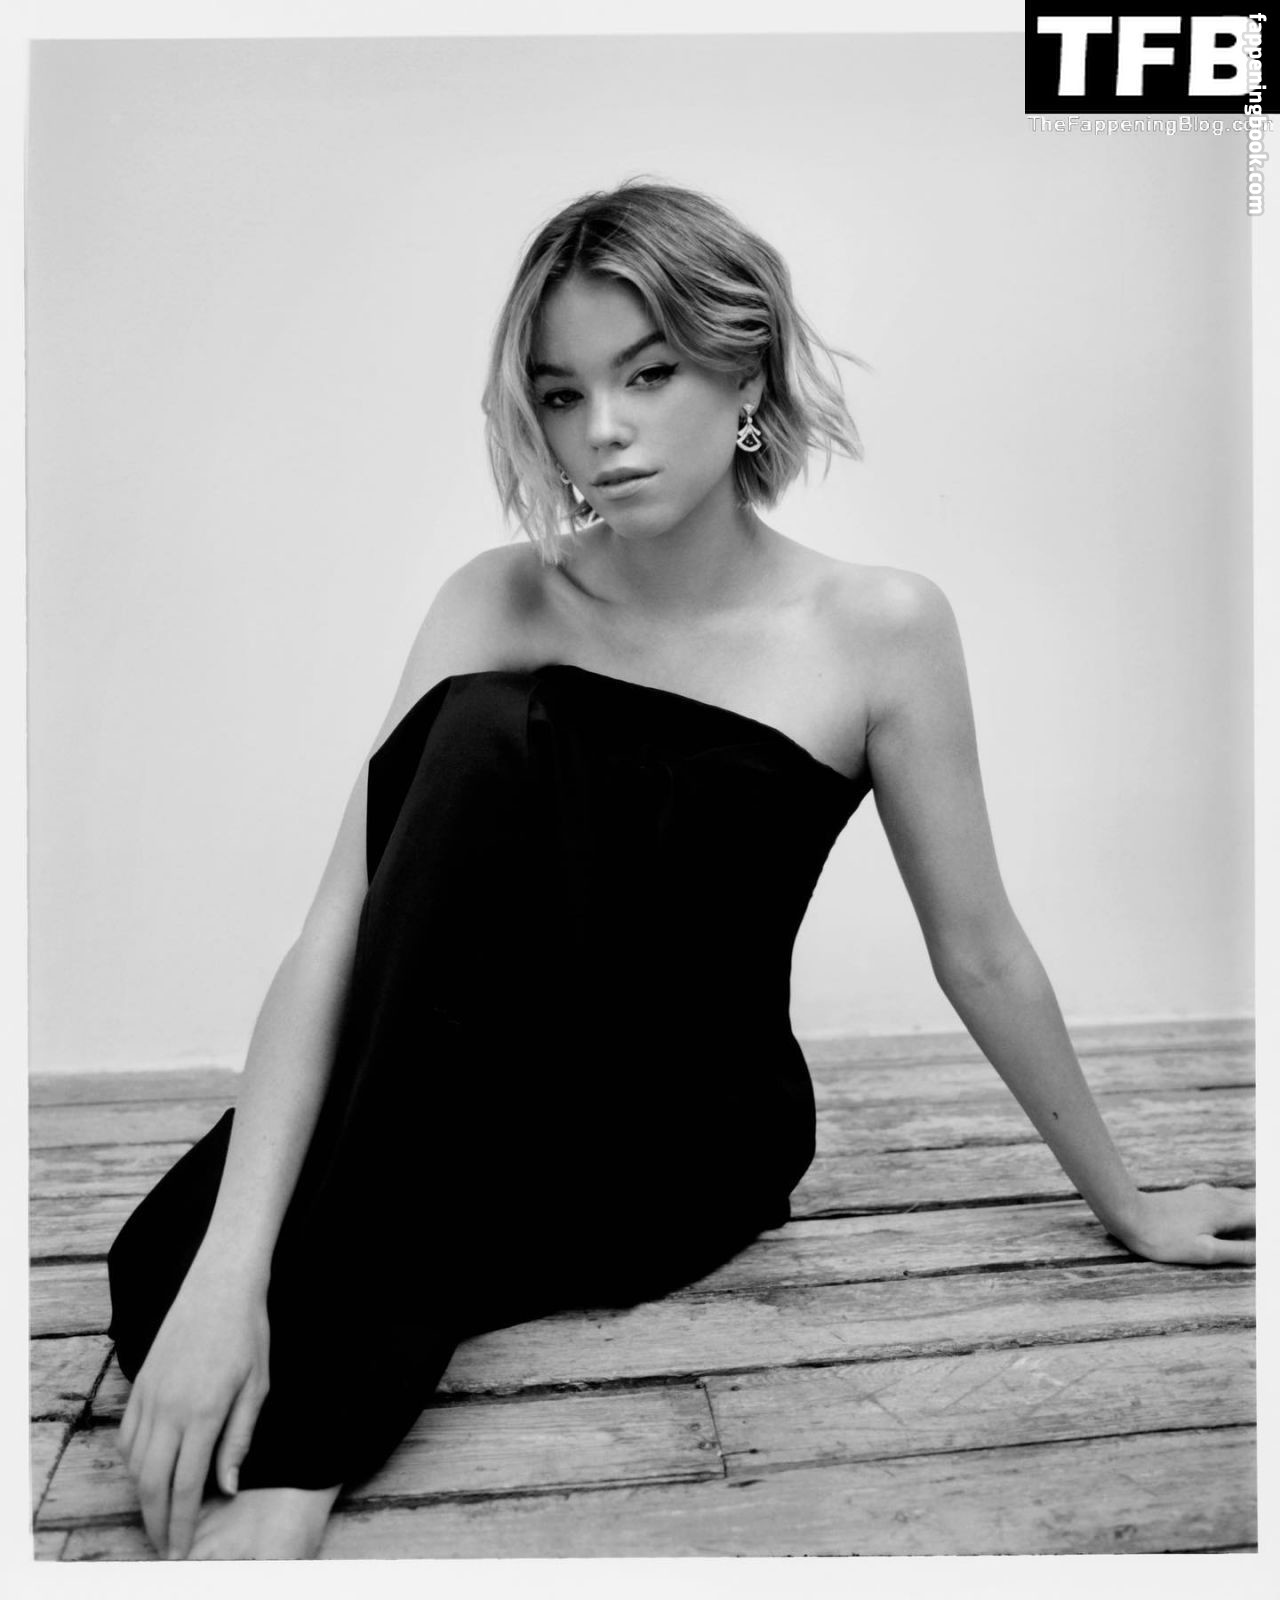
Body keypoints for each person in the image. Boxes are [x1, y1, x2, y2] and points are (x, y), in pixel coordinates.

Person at [105, 180, 1256, 1562]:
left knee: (330, 1237)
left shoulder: (877, 629)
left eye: (647, 374)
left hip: (681, 1132)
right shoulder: (498, 597)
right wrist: (232, 1266)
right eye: (561, 394)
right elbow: (338, 933)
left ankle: (306, 1449)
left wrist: (1125, 1199)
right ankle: (289, 1314)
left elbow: (981, 947)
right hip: (466, 1078)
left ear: (744, 372)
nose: (603, 428)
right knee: (179, 1250)